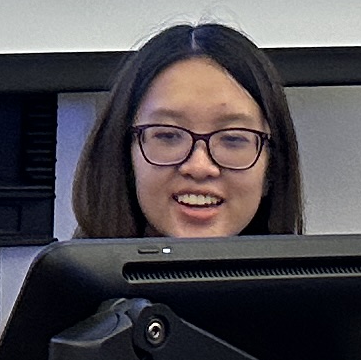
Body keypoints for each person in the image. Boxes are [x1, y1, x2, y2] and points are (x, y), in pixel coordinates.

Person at [67, 20, 307, 241]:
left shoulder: (315, 287)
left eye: (233, 138)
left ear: (272, 167)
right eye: (168, 135)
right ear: (124, 157)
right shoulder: (63, 286)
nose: (199, 167)